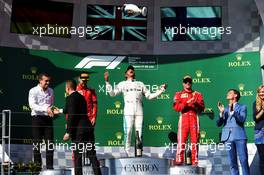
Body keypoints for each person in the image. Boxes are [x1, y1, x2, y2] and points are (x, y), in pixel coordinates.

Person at [104, 65, 167, 156]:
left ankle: (139, 152)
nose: (131, 70)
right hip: (128, 110)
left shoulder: (140, 84)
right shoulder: (122, 84)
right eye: (129, 70)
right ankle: (127, 153)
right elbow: (112, 94)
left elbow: (149, 96)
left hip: (139, 109)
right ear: (125, 74)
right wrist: (107, 82)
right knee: (128, 131)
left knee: (139, 132)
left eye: (132, 70)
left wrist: (161, 90)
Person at [54, 80, 101, 175]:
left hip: (79, 131)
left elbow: (72, 115)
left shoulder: (70, 98)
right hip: (88, 128)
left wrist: (68, 132)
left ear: (67, 88)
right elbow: (69, 109)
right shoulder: (82, 97)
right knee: (92, 154)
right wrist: (58, 111)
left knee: (78, 155)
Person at [173, 75, 205, 166]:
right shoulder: (178, 94)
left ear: (192, 83)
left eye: (189, 81)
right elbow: (176, 108)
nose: (188, 83)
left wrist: (195, 104)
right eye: (186, 81)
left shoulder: (197, 94)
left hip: (194, 117)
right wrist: (186, 103)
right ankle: (179, 161)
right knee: (181, 140)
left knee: (195, 141)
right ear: (183, 83)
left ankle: (195, 161)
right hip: (183, 117)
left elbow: (202, 108)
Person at [217, 89, 249, 175]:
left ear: (235, 96)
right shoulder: (225, 109)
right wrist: (221, 113)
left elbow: (242, 119)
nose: (227, 94)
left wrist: (233, 112)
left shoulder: (242, 107)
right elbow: (218, 124)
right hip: (228, 138)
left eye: (230, 93)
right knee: (232, 163)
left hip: (239, 137)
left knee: (244, 161)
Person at [28, 73, 54, 169]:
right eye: (46, 81)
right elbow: (32, 106)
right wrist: (45, 109)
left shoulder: (51, 91)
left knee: (50, 144)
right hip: (37, 119)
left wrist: (52, 109)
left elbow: (51, 104)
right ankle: (37, 168)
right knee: (36, 144)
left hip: (48, 119)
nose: (48, 82)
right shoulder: (33, 91)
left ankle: (50, 168)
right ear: (40, 80)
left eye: (49, 81)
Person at [76, 71, 101, 173]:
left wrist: (94, 117)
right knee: (77, 152)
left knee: (91, 150)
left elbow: (95, 105)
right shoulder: (75, 91)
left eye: (86, 79)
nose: (85, 81)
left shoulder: (91, 90)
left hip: (89, 123)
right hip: (78, 124)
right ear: (79, 79)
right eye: (83, 79)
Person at [253, 85, 264, 175]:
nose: (261, 93)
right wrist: (263, 110)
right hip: (259, 132)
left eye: (263, 91)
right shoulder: (255, 103)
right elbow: (255, 118)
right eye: (260, 92)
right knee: (262, 157)